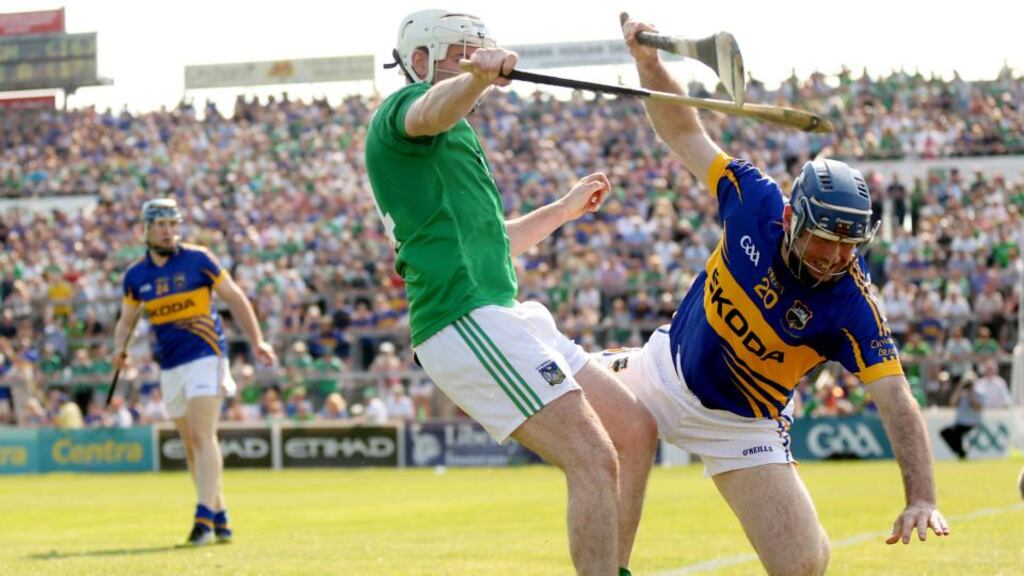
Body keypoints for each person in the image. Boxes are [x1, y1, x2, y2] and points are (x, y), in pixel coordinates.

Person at [592, 15, 950, 575]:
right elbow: (685, 132)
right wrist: (650, 65)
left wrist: (922, 496)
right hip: (658, 375)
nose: (834, 256)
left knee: (803, 565)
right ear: (792, 218)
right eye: (823, 239)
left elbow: (897, 402)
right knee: (559, 395)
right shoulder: (754, 200)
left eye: (848, 244)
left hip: (745, 426)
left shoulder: (854, 305)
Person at [365, 10, 656, 575]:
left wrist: (565, 209)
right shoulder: (400, 113)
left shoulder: (460, 135)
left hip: (504, 313)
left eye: (478, 52)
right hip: (462, 319)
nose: (471, 63)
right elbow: (429, 109)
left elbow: (496, 243)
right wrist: (476, 77)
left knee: (633, 431)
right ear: (420, 60)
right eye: (458, 53)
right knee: (592, 458)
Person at [112, 198, 277, 546]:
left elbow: (234, 297)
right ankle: (220, 516)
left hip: (207, 354)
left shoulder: (199, 259)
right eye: (161, 225)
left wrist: (258, 341)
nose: (168, 231)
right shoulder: (135, 276)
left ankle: (202, 519)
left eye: (173, 224)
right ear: (145, 230)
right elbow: (126, 321)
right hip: (170, 364)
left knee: (203, 435)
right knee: (189, 445)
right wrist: (119, 349)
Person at [939, 370, 982, 459]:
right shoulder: (961, 393)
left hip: (971, 422)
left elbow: (977, 407)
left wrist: (971, 394)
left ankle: (961, 453)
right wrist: (959, 390)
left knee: (957, 433)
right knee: (945, 432)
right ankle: (960, 452)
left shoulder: (979, 392)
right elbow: (952, 403)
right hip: (960, 422)